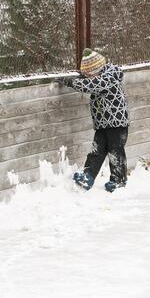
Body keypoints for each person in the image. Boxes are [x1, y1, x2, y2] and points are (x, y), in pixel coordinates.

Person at [57, 48, 130, 192]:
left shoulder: (110, 76)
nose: (88, 78)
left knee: (116, 152)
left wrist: (71, 82)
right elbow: (91, 82)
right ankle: (87, 176)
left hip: (117, 123)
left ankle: (119, 180)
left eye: (89, 74)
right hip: (103, 123)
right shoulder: (99, 76)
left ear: (97, 69)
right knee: (96, 150)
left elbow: (92, 84)